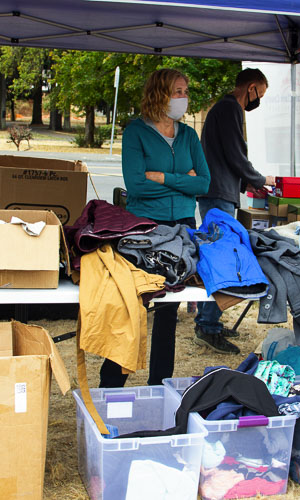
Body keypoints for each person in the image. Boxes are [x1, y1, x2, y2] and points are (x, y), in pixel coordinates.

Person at [100, 68, 210, 388]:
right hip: (146, 230)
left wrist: (161, 177)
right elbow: (135, 185)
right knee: (133, 310)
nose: (183, 97)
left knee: (168, 315)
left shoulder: (188, 135)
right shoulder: (136, 132)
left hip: (183, 229)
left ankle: (159, 387)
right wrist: (182, 182)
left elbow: (203, 183)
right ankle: (111, 386)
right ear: (159, 93)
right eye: (177, 91)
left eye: (185, 90)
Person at [194, 68, 275, 355]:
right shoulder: (230, 109)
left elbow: (231, 156)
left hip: (219, 191)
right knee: (223, 262)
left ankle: (208, 320)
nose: (258, 102)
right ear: (250, 87)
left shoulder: (223, 108)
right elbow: (236, 154)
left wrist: (250, 181)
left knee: (220, 257)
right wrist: (260, 179)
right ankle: (208, 325)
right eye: (260, 95)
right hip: (218, 194)